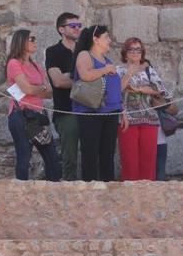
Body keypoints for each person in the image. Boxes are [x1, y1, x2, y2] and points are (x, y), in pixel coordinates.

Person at [6, 29, 60, 181]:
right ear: (21, 41)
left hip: (37, 117)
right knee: (24, 155)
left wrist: (37, 89)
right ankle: (21, 193)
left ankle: (54, 190)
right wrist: (40, 89)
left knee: (52, 157)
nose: (35, 42)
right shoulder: (14, 63)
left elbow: (49, 92)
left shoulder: (36, 66)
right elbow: (26, 88)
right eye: (32, 39)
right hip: (21, 115)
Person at [72, 25, 122, 181]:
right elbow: (85, 75)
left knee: (108, 155)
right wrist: (106, 70)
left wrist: (122, 109)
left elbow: (115, 89)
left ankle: (109, 191)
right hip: (90, 112)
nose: (109, 40)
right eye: (106, 37)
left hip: (110, 112)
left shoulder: (107, 60)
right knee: (90, 155)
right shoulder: (85, 55)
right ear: (95, 39)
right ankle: (89, 193)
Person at [117, 37, 171, 181]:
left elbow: (163, 91)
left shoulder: (149, 70)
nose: (135, 53)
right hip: (127, 120)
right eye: (131, 49)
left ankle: (147, 198)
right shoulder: (118, 70)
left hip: (150, 119)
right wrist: (129, 74)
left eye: (138, 49)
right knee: (129, 162)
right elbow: (115, 92)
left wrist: (140, 89)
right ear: (125, 52)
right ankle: (131, 197)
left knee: (148, 162)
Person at [45, 12, 83, 180]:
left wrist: (72, 77)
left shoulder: (84, 51)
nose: (77, 29)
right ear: (61, 29)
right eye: (73, 26)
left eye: (79, 26)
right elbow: (58, 81)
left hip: (88, 110)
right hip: (66, 111)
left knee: (91, 154)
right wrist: (84, 79)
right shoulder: (54, 51)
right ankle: (69, 189)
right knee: (70, 156)